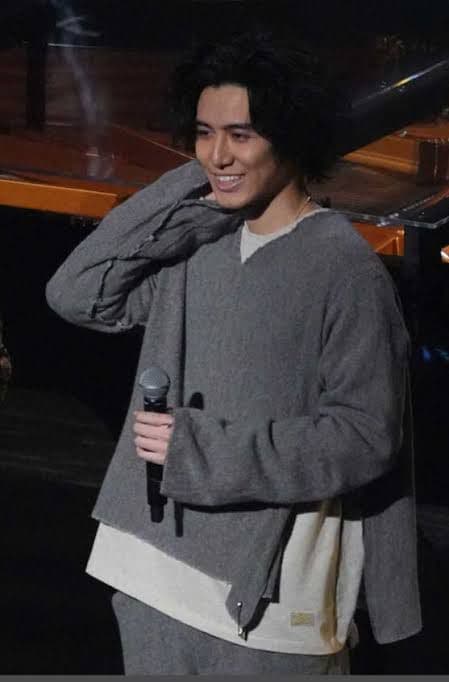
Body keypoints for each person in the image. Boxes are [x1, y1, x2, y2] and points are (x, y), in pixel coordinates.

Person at [46, 32, 421, 675]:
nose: (218, 152)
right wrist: (198, 181)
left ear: (290, 137)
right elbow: (77, 294)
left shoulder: (344, 270)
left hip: (268, 608)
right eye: (203, 133)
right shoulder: (196, 244)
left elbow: (365, 437)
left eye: (240, 135)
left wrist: (205, 452)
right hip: (151, 575)